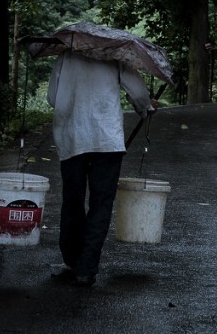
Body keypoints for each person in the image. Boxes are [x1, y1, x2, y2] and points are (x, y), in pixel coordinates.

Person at [46, 50, 157, 287]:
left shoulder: (65, 55)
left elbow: (52, 98)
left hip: (72, 138)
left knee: (73, 199)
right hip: (106, 141)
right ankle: (86, 268)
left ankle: (72, 257)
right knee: (101, 203)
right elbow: (138, 94)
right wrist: (146, 106)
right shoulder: (115, 54)